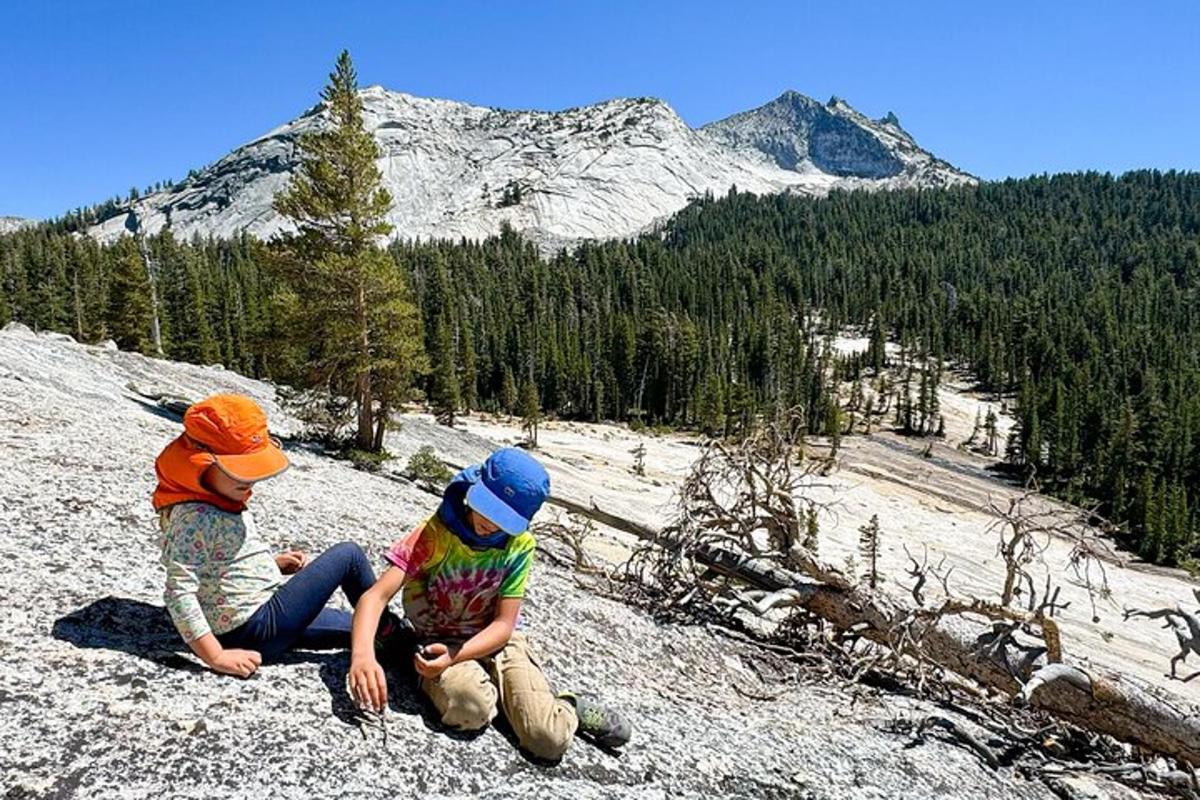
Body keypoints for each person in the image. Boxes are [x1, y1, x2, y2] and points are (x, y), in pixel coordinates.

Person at [347, 447, 631, 759]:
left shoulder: (519, 547)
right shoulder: (435, 534)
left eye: (505, 519)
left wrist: (460, 655)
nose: (491, 524)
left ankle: (569, 706)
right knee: (469, 707)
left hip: (496, 643)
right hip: (439, 641)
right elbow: (375, 596)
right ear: (473, 491)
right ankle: (503, 701)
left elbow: (504, 625)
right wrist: (362, 656)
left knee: (547, 740)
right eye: (487, 508)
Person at [152, 393, 401, 677]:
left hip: (256, 619)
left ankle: (403, 644)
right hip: (255, 627)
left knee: (361, 628)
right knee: (349, 556)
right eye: (241, 476)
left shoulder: (212, 499)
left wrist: (271, 564)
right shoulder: (195, 517)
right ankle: (392, 628)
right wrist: (216, 656)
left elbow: (220, 563)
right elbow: (178, 592)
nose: (250, 485)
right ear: (200, 463)